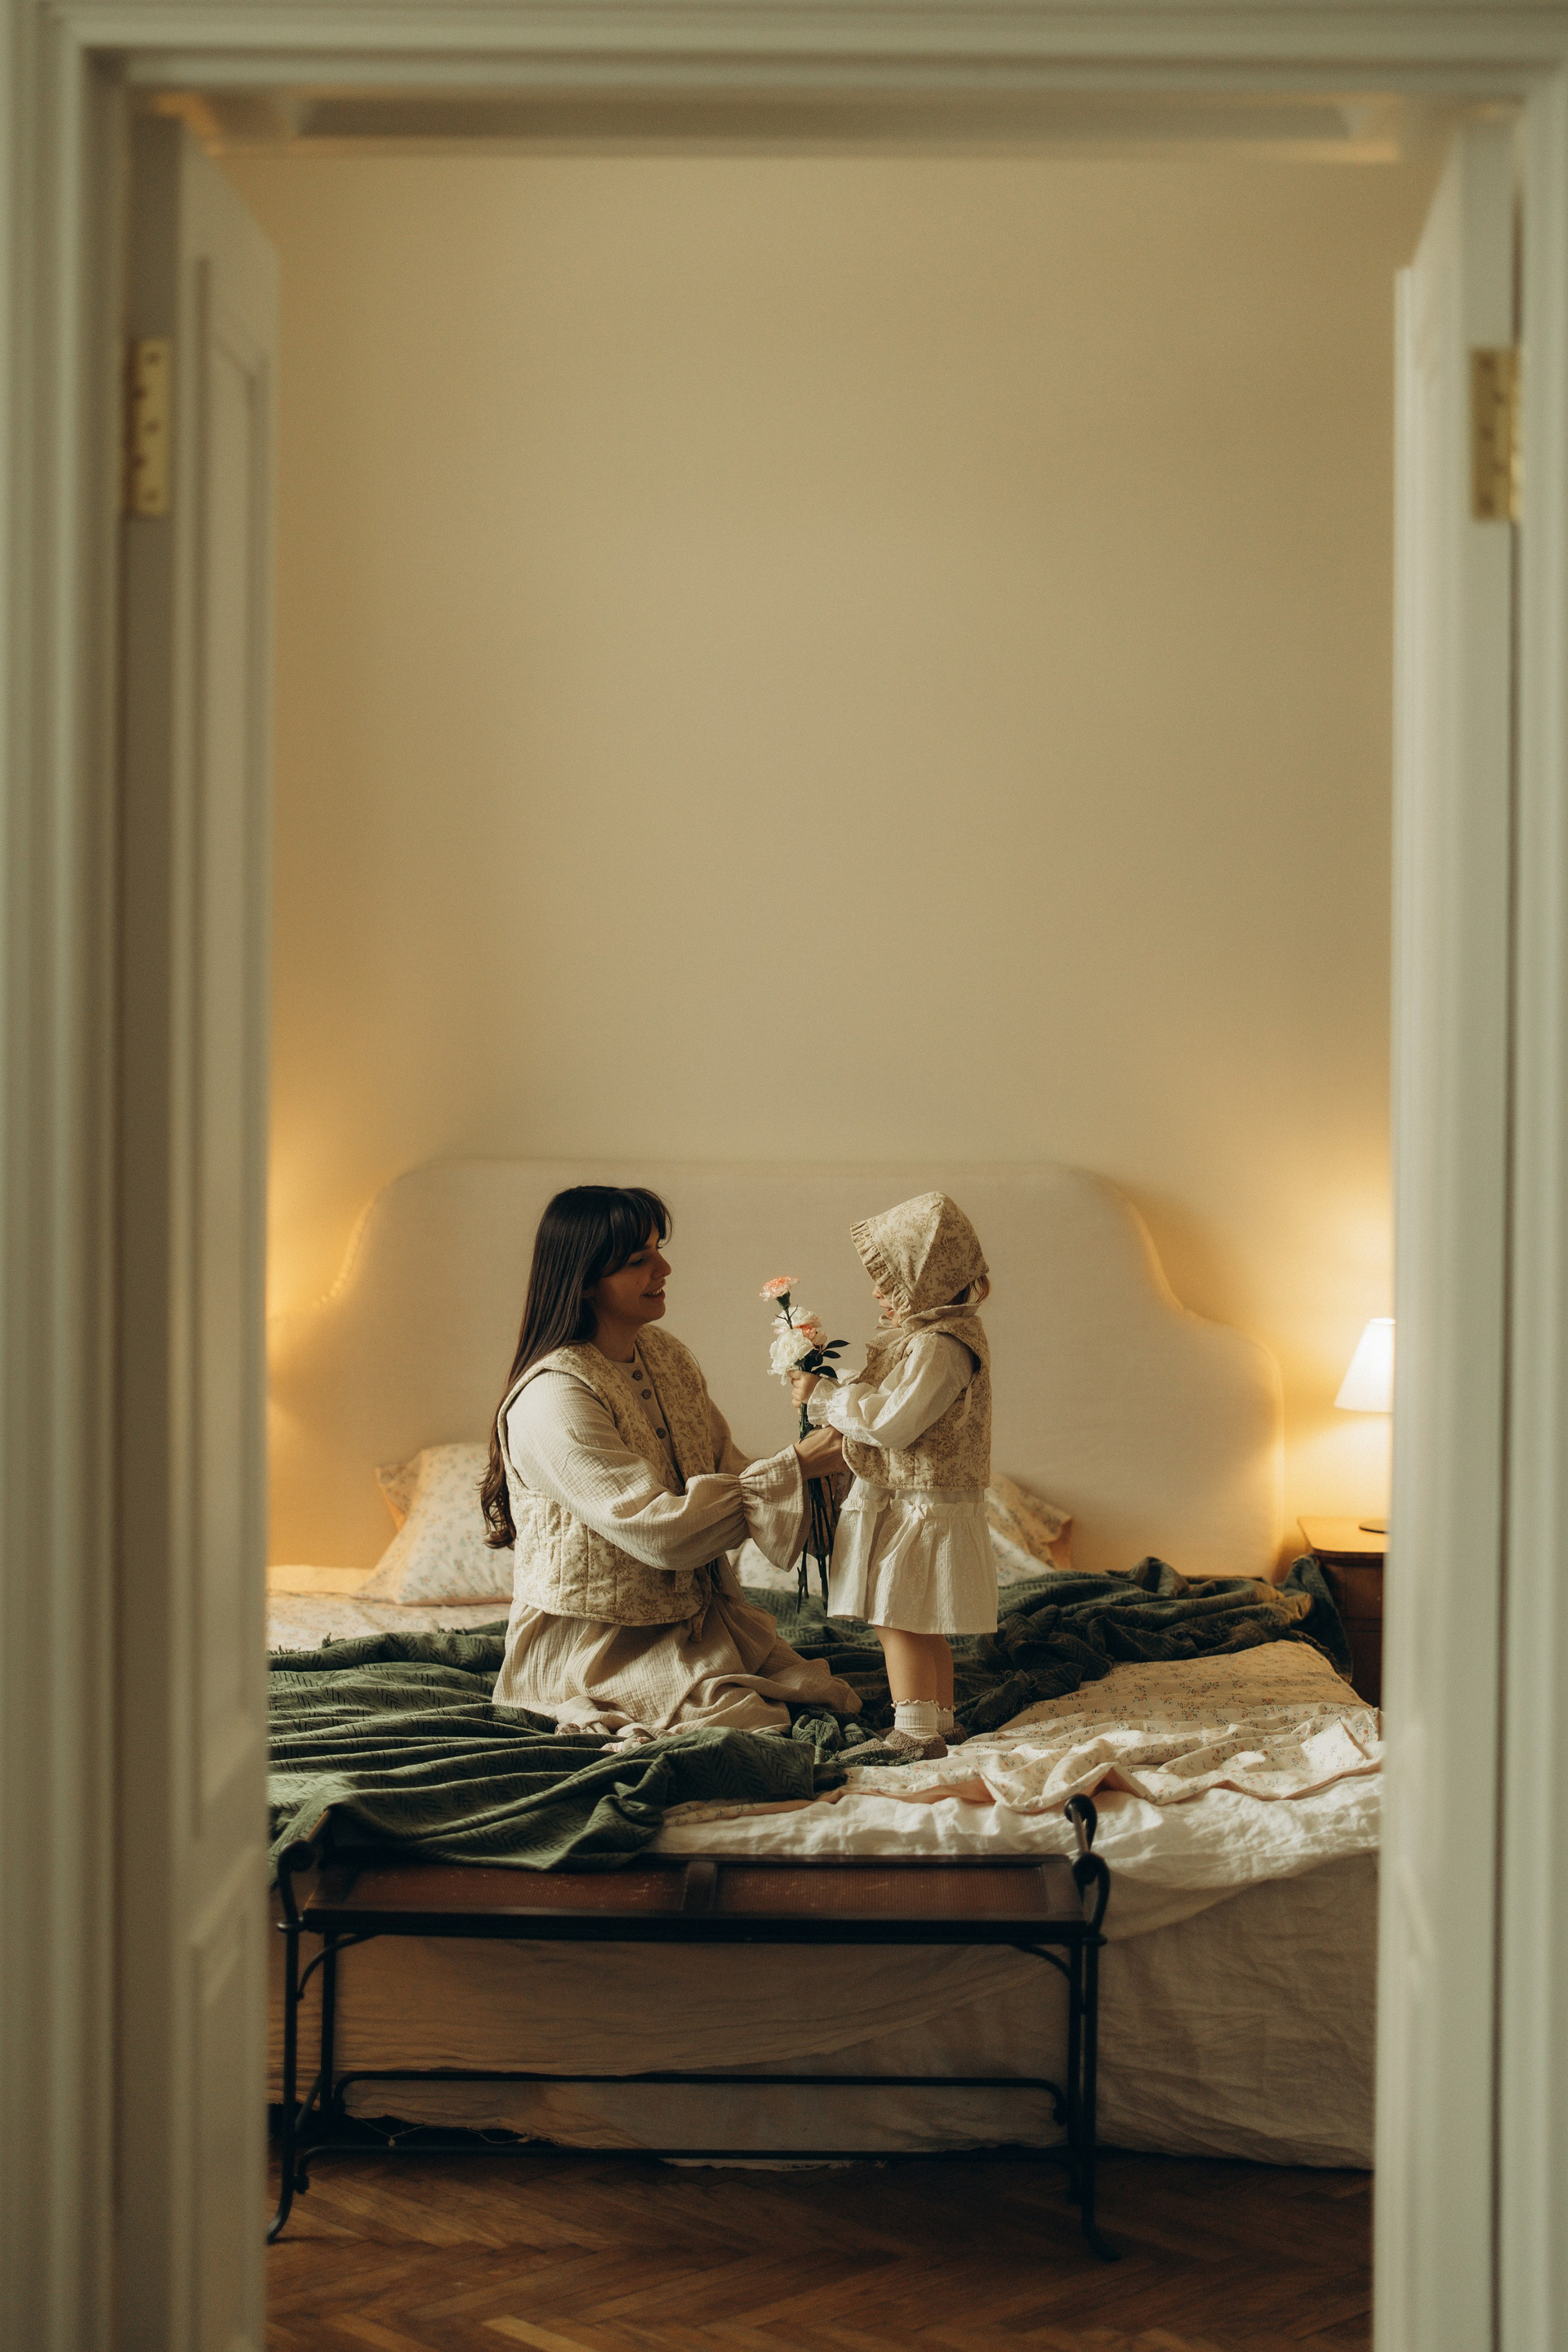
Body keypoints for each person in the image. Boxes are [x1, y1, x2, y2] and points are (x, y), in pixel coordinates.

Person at [480, 1183, 860, 1741]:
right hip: (596, 1641)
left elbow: (728, 1467)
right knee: (749, 1725)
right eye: (639, 1260)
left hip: (701, 1617)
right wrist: (794, 1468)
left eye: (658, 1249)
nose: (664, 1268)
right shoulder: (553, 1396)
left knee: (828, 1695)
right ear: (584, 1281)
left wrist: (832, 1457)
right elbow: (659, 1532)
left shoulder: (667, 1355)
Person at [791, 1191, 995, 1762]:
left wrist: (828, 1396)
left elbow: (892, 1422)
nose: (877, 1292)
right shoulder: (926, 1340)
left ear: (926, 1284)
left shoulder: (939, 1346)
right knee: (921, 1620)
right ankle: (941, 1722)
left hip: (919, 1503)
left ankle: (914, 1732)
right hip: (913, 1498)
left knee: (897, 1618)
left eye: (889, 1282)